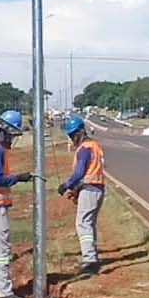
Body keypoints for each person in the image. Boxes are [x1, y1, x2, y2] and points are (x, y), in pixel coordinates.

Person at [0, 109, 34, 298]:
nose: (13, 140)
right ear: (5, 131)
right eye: (13, 135)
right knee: (1, 249)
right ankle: (5, 292)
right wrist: (18, 178)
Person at [56, 115, 105, 275]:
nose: (72, 138)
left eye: (74, 135)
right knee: (89, 224)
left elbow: (79, 172)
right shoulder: (94, 146)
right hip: (96, 189)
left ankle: (89, 259)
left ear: (81, 132)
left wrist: (66, 185)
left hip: (90, 189)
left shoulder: (84, 148)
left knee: (83, 224)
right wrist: (76, 190)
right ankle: (92, 256)